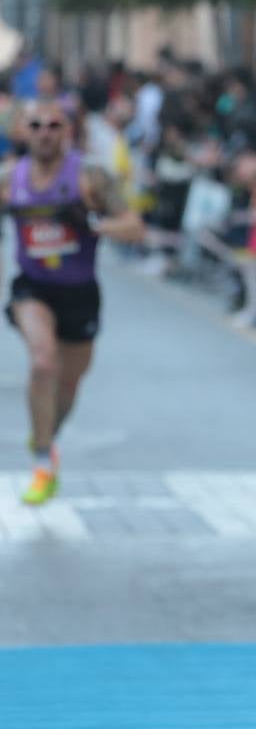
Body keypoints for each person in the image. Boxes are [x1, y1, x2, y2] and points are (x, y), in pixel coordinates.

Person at [3, 99, 145, 504]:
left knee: (69, 383)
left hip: (80, 293)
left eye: (54, 125)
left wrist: (93, 223)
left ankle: (46, 434)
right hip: (33, 288)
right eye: (36, 125)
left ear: (66, 131)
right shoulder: (11, 178)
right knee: (44, 362)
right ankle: (42, 461)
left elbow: (135, 228)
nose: (45, 132)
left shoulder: (89, 177)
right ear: (23, 132)